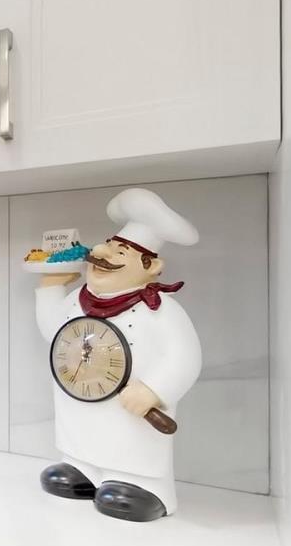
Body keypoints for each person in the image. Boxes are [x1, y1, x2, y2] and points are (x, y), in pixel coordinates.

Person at [35, 188, 202, 522]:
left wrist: (154, 389)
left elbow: (186, 357)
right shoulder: (78, 299)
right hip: (79, 395)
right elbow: (54, 332)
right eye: (107, 245)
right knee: (81, 432)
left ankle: (141, 484)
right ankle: (83, 469)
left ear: (151, 265)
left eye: (119, 251)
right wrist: (51, 287)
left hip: (130, 406)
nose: (100, 253)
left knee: (130, 441)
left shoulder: (160, 310)